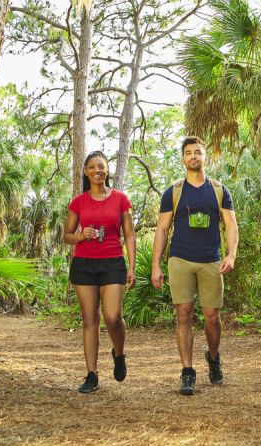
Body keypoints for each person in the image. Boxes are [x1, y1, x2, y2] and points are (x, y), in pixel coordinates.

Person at [151, 136, 239, 396]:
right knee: (184, 315)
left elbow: (231, 225)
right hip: (180, 259)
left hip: (211, 260)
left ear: (205, 157)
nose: (193, 156)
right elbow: (162, 229)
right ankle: (187, 372)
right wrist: (156, 265)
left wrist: (231, 255)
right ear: (182, 159)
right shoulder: (174, 192)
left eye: (197, 152)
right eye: (188, 153)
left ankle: (213, 357)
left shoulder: (219, 190)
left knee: (213, 318)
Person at [63, 150, 136, 393]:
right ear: (86, 172)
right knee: (90, 319)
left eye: (101, 167)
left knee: (113, 316)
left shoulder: (120, 199)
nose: (97, 171)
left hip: (113, 262)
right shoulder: (78, 202)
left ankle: (119, 352)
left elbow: (129, 234)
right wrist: (81, 236)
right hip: (84, 264)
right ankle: (92, 374)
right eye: (92, 167)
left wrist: (132, 266)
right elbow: (66, 236)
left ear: (107, 170)